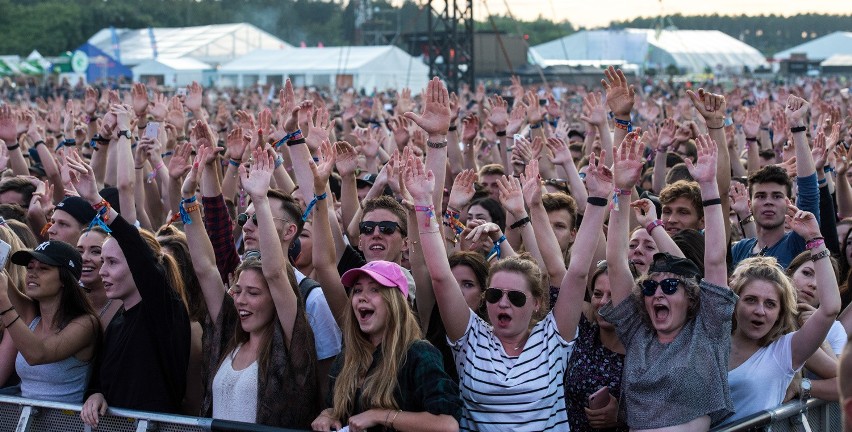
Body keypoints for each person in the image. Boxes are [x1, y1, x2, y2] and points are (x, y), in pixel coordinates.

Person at [404, 80, 610, 428]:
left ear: (537, 304)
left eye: (516, 297)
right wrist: (434, 159)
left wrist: (598, 200)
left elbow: (575, 274)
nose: (503, 303)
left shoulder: (553, 338)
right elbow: (440, 275)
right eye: (495, 294)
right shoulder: (471, 338)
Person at [600, 132, 737, 429]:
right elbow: (615, 261)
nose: (658, 293)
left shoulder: (707, 330)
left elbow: (714, 260)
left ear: (691, 297)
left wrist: (710, 187)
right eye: (650, 286)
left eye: (670, 286)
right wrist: (622, 192)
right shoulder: (638, 332)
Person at [184, 146, 320, 427]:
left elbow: (274, 273)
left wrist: (259, 199)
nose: (241, 300)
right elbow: (205, 268)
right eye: (238, 291)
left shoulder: (291, 342)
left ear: (276, 299)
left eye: (254, 293)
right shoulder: (231, 335)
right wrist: (187, 201)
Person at [64, 148, 190, 428]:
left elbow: (133, 245)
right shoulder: (119, 321)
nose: (102, 270)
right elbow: (102, 379)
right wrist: (95, 394)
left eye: (111, 262)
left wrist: (97, 201)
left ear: (137, 266)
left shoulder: (163, 311)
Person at [311, 260, 462, 432]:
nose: (361, 296)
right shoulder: (348, 356)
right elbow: (338, 408)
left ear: (395, 302)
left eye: (375, 289)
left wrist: (380, 415)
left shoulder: (418, 354)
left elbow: (447, 424)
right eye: (357, 290)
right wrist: (328, 414)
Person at [725, 222, 841, 424]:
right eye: (751, 300)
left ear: (780, 313)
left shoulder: (784, 351)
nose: (759, 311)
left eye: (770, 304)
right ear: (735, 301)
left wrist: (815, 239)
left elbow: (830, 308)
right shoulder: (711, 338)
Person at [0, 239, 99, 403]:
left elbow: (37, 355)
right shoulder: (32, 314)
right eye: (30, 267)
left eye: (43, 268)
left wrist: (4, 304)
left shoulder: (86, 324)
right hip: (25, 422)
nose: (32, 273)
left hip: (66, 423)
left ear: (65, 279)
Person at [564, 260, 629, 432]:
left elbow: (664, 410)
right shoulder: (582, 333)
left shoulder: (644, 350)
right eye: (598, 294)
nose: (603, 302)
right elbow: (556, 273)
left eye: (613, 296)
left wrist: (621, 416)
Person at [77, 227, 121, 328]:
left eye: (95, 251)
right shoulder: (66, 301)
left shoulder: (127, 305)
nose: (84, 258)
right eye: (80, 251)